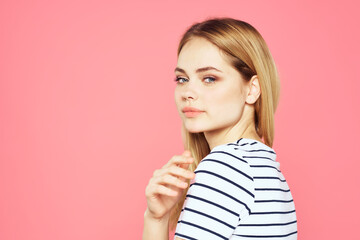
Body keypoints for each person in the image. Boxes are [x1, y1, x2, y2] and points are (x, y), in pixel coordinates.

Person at [142, 17, 297, 240]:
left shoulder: (225, 168)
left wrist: (153, 220)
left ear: (252, 89)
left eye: (210, 78)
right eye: (182, 79)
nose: (188, 92)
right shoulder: (261, 165)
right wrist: (156, 217)